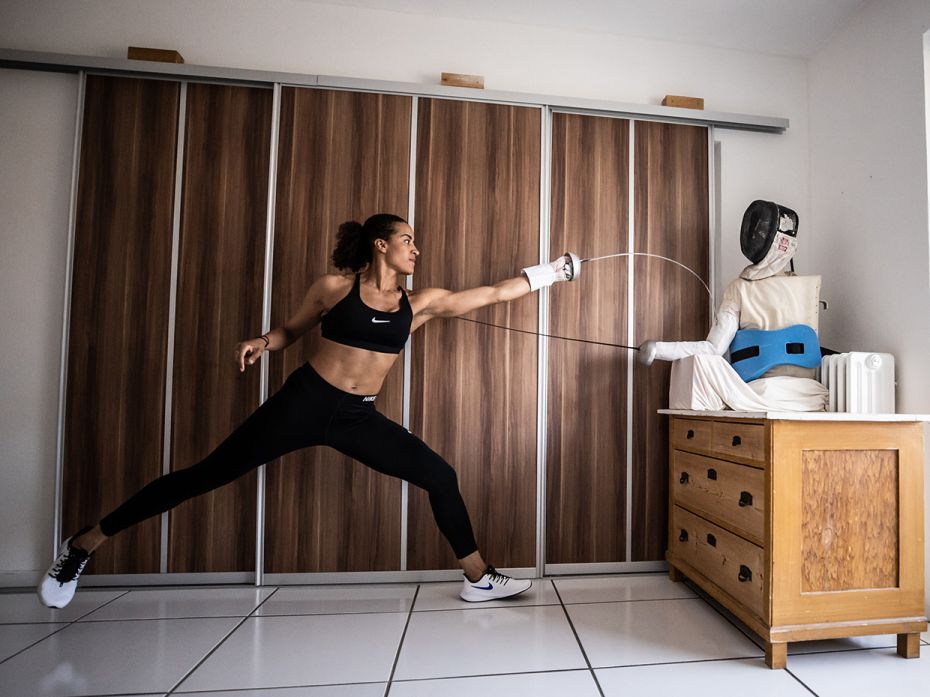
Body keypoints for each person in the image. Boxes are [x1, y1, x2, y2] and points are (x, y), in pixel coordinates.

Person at [39, 213, 578, 608]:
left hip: (357, 417)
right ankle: (85, 542)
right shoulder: (334, 288)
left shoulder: (421, 303)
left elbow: (493, 294)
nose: (416, 249)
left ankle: (478, 577)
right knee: (204, 475)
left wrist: (553, 272)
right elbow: (291, 330)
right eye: (408, 240)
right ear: (381, 244)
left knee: (439, 475)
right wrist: (262, 342)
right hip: (303, 402)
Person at [638, 200, 828, 411]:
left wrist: (657, 348)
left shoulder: (739, 288)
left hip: (758, 393)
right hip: (812, 395)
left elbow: (712, 349)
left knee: (701, 363)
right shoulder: (809, 287)